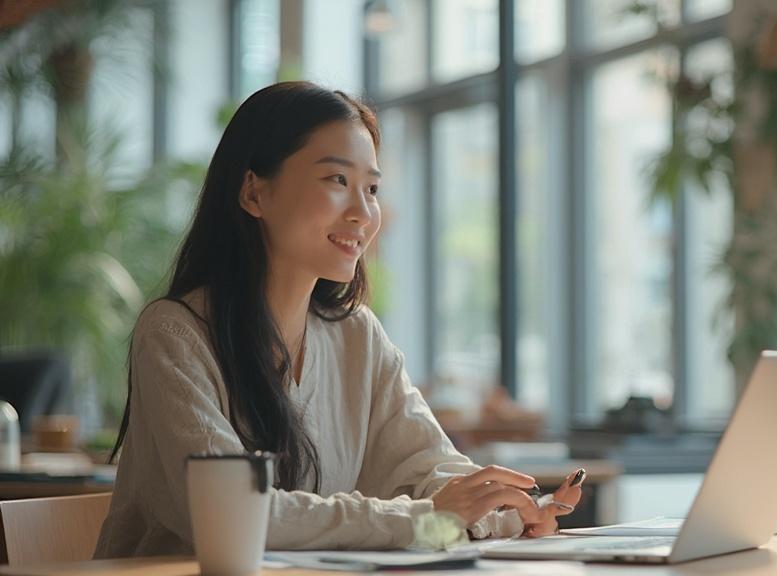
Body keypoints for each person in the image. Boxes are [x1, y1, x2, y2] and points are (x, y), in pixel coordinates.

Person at [93, 81, 582, 557]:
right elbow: (233, 514)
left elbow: (429, 470)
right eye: (336, 180)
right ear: (254, 194)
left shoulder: (357, 335)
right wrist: (426, 519)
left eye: (371, 188)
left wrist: (510, 509)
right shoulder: (175, 334)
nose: (363, 212)